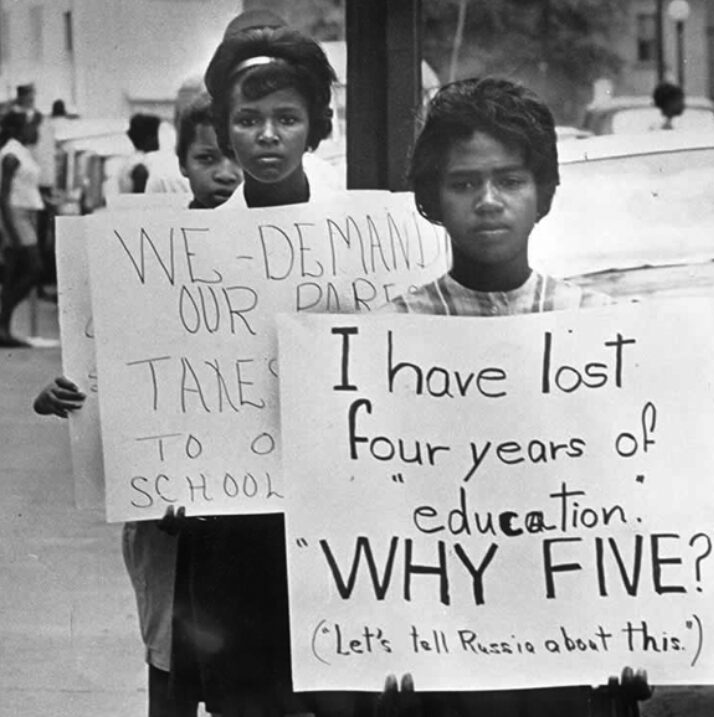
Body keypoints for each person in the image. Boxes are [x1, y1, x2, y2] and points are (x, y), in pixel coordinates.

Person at [380, 77, 652, 717]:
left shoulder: (602, 329)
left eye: (510, 180)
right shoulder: (385, 338)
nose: (489, 200)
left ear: (544, 195)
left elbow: (634, 498)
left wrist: (647, 627)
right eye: (465, 183)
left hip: (574, 654)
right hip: (440, 654)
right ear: (432, 200)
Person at [31, 90, 242, 717]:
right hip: (164, 516)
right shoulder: (142, 249)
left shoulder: (293, 252)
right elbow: (104, 358)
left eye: (234, 156)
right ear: (182, 162)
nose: (225, 172)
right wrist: (62, 395)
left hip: (253, 517)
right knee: (170, 661)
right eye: (208, 157)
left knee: (245, 667)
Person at [167, 18, 344, 717]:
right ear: (225, 126)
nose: (267, 136)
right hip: (235, 532)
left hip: (338, 523)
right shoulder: (184, 250)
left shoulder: (364, 238)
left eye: (287, 118)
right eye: (248, 119)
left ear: (314, 127)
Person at [0, 110, 44, 347]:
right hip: (15, 214)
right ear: (19, 129)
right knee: (34, 268)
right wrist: (11, 230)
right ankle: (2, 319)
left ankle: (3, 327)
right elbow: (3, 195)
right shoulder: (11, 155)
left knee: (14, 274)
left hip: (24, 214)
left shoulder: (21, 151)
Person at [175, 91, 242, 208]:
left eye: (241, 158)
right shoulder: (163, 225)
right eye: (207, 158)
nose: (225, 175)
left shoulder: (278, 222)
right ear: (182, 163)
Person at [117, 113, 161, 194]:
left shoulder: (131, 161)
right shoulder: (140, 166)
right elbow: (140, 199)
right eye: (156, 135)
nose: (159, 140)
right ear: (148, 138)